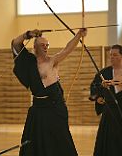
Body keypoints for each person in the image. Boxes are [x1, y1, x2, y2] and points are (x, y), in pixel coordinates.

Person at [11, 28, 87, 156]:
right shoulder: (29, 61)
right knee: (35, 139)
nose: (45, 47)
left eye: (47, 45)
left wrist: (78, 35)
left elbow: (68, 49)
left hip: (55, 107)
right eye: (42, 45)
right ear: (34, 47)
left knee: (60, 137)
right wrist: (28, 34)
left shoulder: (52, 61)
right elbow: (15, 43)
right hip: (39, 108)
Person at [90, 44, 122, 156]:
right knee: (108, 142)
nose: (112, 57)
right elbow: (94, 87)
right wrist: (98, 98)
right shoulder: (103, 73)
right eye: (111, 55)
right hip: (110, 113)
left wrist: (111, 82)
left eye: (115, 55)